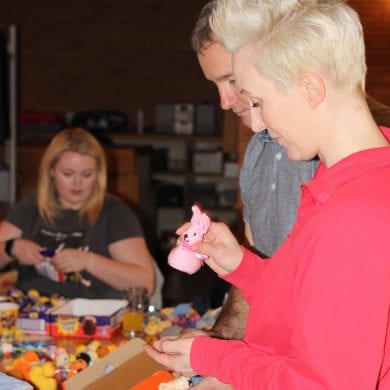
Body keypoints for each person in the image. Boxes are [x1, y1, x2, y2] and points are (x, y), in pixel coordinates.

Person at [145, 0, 390, 388]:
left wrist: (211, 355)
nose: (255, 120)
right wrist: (239, 263)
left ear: (310, 88)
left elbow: (324, 384)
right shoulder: (346, 178)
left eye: (258, 101)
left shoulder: (352, 213)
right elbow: (305, 303)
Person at [192, 0, 318, 339]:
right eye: (215, 84)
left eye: (231, 79)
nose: (224, 101)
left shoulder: (347, 155)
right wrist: (220, 346)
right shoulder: (259, 150)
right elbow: (255, 274)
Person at [0, 127, 163, 307]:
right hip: (31, 313)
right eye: (67, 174)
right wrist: (10, 247)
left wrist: (89, 261)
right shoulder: (31, 205)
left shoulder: (115, 212)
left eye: (87, 174)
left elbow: (145, 283)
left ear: (99, 174)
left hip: (94, 316)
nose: (77, 183)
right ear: (51, 171)